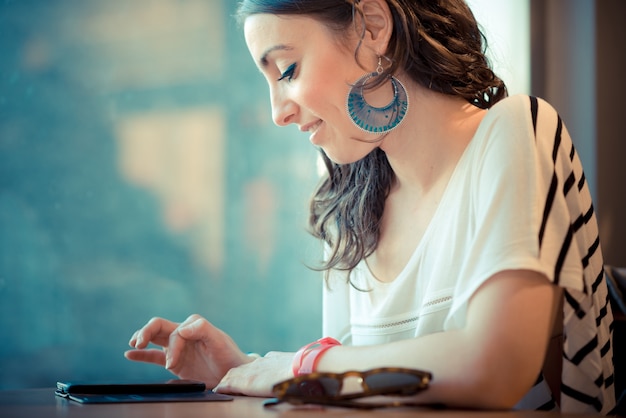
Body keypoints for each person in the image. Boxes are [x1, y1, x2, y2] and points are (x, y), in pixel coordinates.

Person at [124, 0, 616, 413]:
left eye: (288, 70)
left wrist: (299, 367)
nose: (278, 111)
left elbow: (494, 369)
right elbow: (357, 387)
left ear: (373, 26)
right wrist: (247, 370)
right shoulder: (349, 213)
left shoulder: (515, 130)